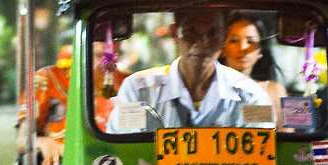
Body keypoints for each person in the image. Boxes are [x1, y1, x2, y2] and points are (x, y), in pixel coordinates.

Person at [113, 8, 271, 129]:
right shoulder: (138, 90)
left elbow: (263, 148)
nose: (202, 43)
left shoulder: (252, 95)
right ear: (175, 34)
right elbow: (123, 150)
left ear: (224, 36)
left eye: (212, 33)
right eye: (190, 33)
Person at [220, 13, 287, 106]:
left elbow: (301, 119)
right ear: (222, 49)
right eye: (234, 41)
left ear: (260, 51)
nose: (243, 47)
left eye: (250, 41)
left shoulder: (275, 90)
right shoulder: (209, 90)